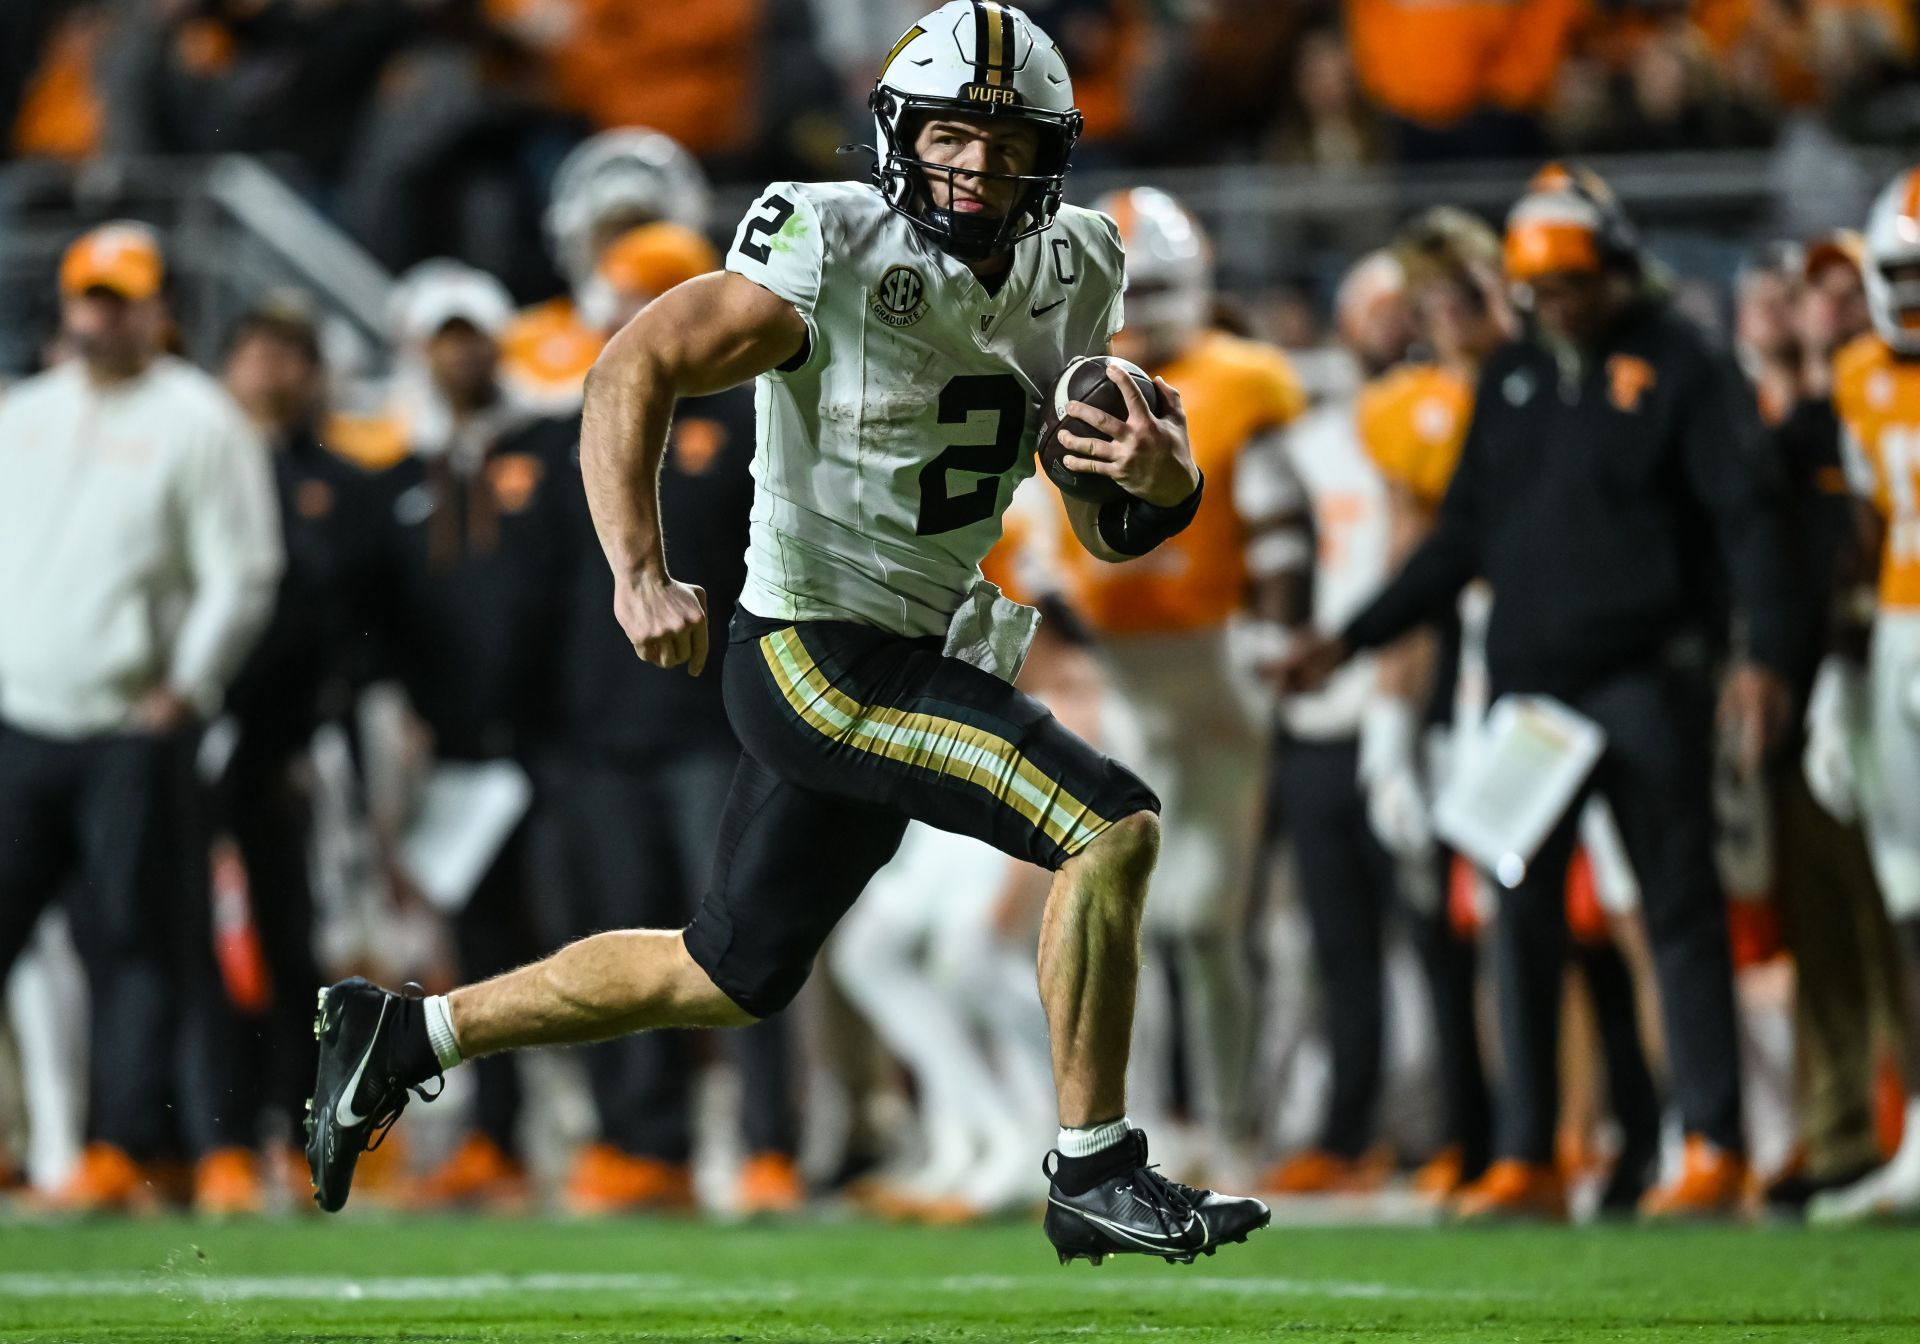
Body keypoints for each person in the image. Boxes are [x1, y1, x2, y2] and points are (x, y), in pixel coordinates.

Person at [307, 0, 1270, 1265]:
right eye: (948, 135)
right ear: (896, 134)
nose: (975, 165)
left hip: (914, 642)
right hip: (817, 648)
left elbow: (1102, 528)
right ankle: (1095, 1166)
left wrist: (1159, 486)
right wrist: (638, 571)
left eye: (1004, 140)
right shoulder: (833, 244)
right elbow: (631, 366)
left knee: (725, 970)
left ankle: (407, 1035)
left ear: (1052, 153)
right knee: (1111, 825)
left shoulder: (1078, 263)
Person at [1278, 166, 1795, 1220]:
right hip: (1530, 689)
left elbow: (1750, 519)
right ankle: (1532, 1156)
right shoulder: (1513, 373)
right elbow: (1461, 536)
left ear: (1613, 265)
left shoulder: (1682, 362)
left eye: (1572, 282)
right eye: (1541, 287)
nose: (1557, 304)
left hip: (1650, 674)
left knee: (1675, 906)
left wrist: (1767, 655)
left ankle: (1714, 1144)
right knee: (1519, 914)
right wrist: (1351, 637)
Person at [0, 221, 284, 1213]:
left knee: (131, 941)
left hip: (129, 724)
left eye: (120, 298)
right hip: (19, 718)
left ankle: (122, 1146)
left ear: (161, 308)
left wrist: (190, 686)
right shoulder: (24, 413)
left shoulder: (199, 419)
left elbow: (242, 571)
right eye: (89, 296)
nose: (101, 315)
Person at [544, 222, 806, 1216]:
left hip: (719, 725)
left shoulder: (754, 419)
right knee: (618, 936)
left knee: (748, 935)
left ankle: (768, 1143)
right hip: (600, 733)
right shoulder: (579, 419)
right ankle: (641, 1145)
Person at [1051, 186, 1306, 1184]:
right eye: (1131, 289)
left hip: (1214, 654)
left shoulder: (1244, 379)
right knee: (1127, 920)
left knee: (1210, 921)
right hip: (1119, 668)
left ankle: (1238, 1126)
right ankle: (1141, 1128)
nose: (1148, 309)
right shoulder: (1072, 379)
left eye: (1161, 286)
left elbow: (1281, 522)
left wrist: (1276, 627)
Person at [358, 262, 580, 1210]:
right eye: (440, 337)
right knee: (484, 949)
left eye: (471, 334)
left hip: (560, 743)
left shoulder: (555, 447)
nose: (458, 355)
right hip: (458, 756)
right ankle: (500, 1135)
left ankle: (632, 1132)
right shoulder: (404, 476)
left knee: (592, 928)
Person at [217, 294, 381, 1198]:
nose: (271, 372)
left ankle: (294, 1124)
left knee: (300, 945)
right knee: (189, 942)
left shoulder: (339, 484)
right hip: (191, 739)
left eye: (290, 354)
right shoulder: (197, 467)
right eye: (255, 351)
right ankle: (212, 1136)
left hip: (296, 751)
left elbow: (348, 629)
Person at [1806, 166, 1920, 1224]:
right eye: (1902, 274)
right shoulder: (1856, 375)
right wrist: (1836, 677)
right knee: (1910, 896)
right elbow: (1864, 538)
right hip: (1895, 636)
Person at [500, 128, 713, 415]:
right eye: (614, 232)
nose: (628, 247)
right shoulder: (528, 338)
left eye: (641, 230)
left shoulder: (719, 323)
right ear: (582, 243)